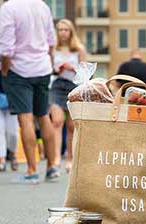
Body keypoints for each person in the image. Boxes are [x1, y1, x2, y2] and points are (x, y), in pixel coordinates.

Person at [0, 0, 58, 184]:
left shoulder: (9, 8)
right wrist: (48, 62)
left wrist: (5, 70)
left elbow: (7, 47)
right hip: (42, 67)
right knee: (43, 116)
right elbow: (51, 42)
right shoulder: (42, 5)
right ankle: (52, 167)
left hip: (20, 69)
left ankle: (32, 170)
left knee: (25, 118)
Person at [49, 18, 86, 174]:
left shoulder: (78, 49)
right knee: (56, 122)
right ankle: (56, 158)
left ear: (71, 32)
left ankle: (69, 158)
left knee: (71, 125)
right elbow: (48, 68)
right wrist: (56, 69)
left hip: (74, 87)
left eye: (66, 29)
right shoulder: (52, 49)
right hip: (56, 85)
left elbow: (85, 73)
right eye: (60, 30)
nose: (63, 32)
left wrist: (73, 68)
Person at [0, 44, 19, 172]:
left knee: (13, 131)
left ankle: (12, 153)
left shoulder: (16, 60)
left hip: (12, 96)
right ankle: (1, 160)